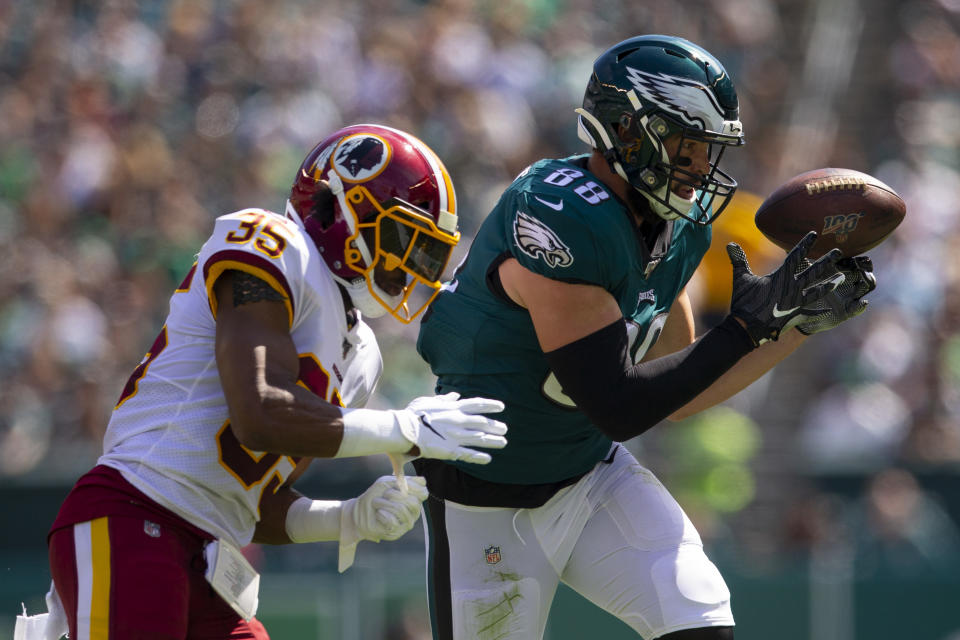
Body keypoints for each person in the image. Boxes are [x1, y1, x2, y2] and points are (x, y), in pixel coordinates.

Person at [414, 35, 876, 640]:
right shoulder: (562, 215)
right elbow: (620, 403)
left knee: (700, 616)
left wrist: (794, 325)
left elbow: (676, 390)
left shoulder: (674, 227)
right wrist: (744, 328)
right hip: (486, 500)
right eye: (688, 146)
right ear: (628, 132)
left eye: (709, 149)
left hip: (586, 475)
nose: (701, 168)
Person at [42, 124, 508, 640]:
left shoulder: (362, 355)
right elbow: (259, 414)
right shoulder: (271, 243)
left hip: (212, 553)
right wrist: (405, 428)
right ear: (335, 208)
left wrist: (347, 518)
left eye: (427, 254)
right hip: (134, 513)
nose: (410, 269)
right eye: (404, 241)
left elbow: (254, 502)